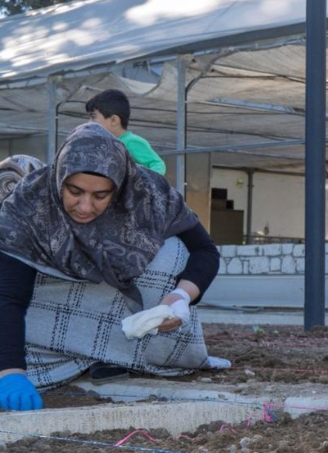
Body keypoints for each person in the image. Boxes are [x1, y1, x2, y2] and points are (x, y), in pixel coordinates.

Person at [0, 123, 224, 411]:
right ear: (59, 178)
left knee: (174, 250)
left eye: (100, 196)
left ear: (118, 188)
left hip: (123, 312)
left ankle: (117, 353)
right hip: (51, 308)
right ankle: (72, 355)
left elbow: (205, 251)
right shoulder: (28, 205)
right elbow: (9, 297)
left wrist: (179, 298)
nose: (84, 206)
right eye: (74, 191)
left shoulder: (149, 195)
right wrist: (10, 372)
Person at [86, 89, 167, 175]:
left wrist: (146, 183)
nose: (89, 122)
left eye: (93, 117)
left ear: (114, 120)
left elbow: (157, 164)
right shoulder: (105, 145)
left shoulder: (131, 142)